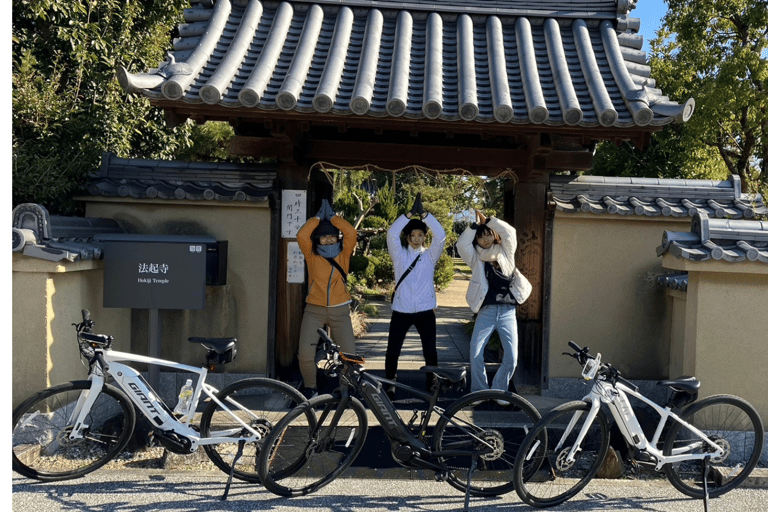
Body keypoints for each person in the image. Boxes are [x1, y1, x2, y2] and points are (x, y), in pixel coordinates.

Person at [385, 194, 446, 398]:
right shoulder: (399, 255)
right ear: (408, 237)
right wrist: (408, 215)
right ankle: (390, 383)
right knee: (393, 350)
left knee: (430, 351)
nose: (417, 238)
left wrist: (426, 216)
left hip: (425, 310)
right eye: (414, 235)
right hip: (401, 310)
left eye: (421, 235)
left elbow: (441, 234)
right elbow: (392, 233)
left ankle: (432, 382)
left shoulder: (430, 255)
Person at [296, 199, 357, 399]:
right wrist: (316, 218)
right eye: (324, 237)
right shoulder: (311, 255)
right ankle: (310, 388)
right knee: (305, 354)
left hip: (340, 311)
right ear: (318, 240)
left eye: (332, 236)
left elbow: (351, 233)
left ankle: (345, 390)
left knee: (350, 357)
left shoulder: (344, 254)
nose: (329, 240)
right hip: (314, 309)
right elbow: (301, 235)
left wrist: (333, 218)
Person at [457, 210, 521, 396]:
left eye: (488, 234)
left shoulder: (507, 252)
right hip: (486, 311)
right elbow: (462, 244)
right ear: (476, 239)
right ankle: (479, 391)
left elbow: (510, 233)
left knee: (511, 357)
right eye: (480, 236)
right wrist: (474, 226)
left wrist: (490, 221)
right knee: (475, 352)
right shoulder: (475, 257)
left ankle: (500, 390)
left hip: (508, 311)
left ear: (494, 235)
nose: (485, 239)